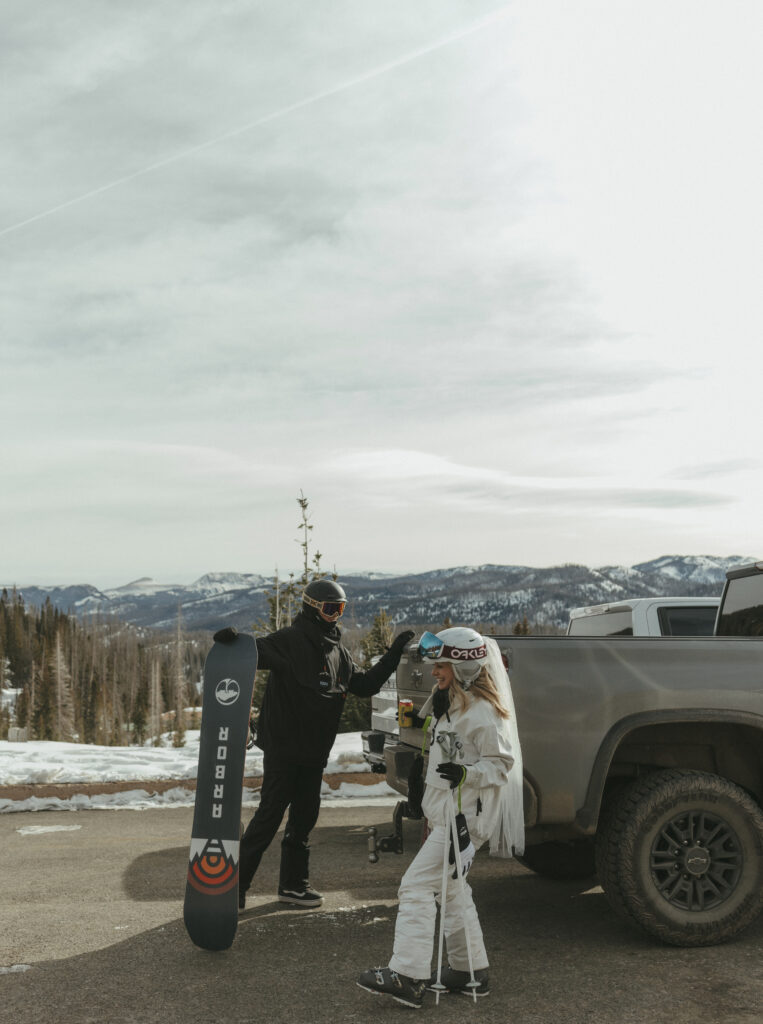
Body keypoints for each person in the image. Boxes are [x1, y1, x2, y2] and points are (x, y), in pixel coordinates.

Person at [357, 627, 524, 1009]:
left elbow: (501, 765)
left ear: (465, 668)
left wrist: (468, 774)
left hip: (464, 819)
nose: (434, 672)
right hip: (447, 813)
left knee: (415, 886)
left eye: (442, 665)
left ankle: (409, 975)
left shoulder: (483, 712)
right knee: (452, 890)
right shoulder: (450, 703)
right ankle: (469, 972)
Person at [222, 578, 413, 910]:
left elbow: (364, 685)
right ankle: (233, 889)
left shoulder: (337, 650)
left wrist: (393, 655)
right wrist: (233, 644)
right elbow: (256, 652)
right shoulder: (290, 640)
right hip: (284, 749)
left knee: (305, 819)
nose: (336, 615)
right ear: (312, 608)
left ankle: (293, 886)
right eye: (330, 609)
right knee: (269, 818)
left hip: (313, 751)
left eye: (340, 609)